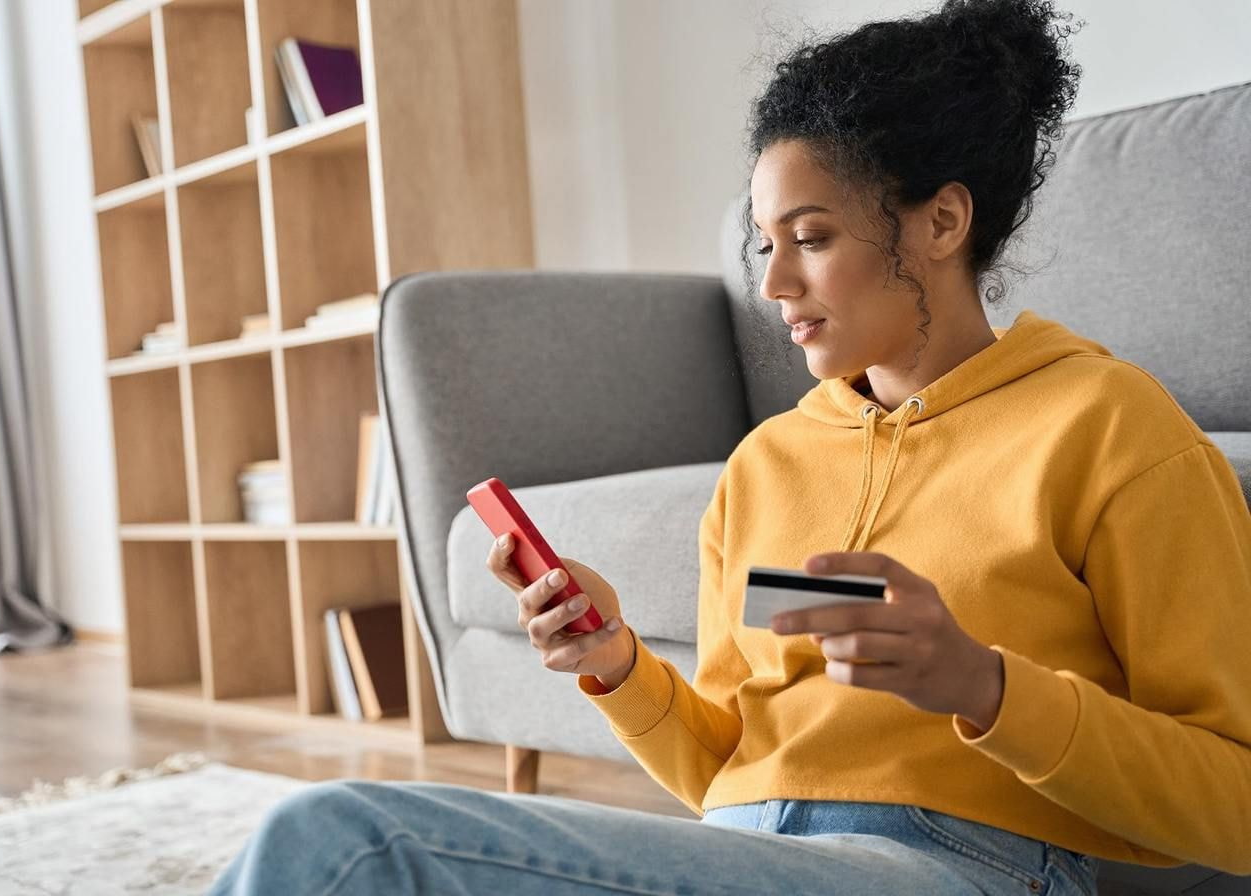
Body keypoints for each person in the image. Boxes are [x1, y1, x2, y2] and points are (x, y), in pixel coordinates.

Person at [210, 0, 1251, 893]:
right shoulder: (767, 465)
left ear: (940, 222)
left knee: (350, 842)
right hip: (746, 849)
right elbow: (725, 769)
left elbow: (1233, 801)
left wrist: (985, 685)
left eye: (810, 238)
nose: (771, 285)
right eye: (765, 244)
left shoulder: (1111, 429)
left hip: (961, 864)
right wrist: (615, 665)